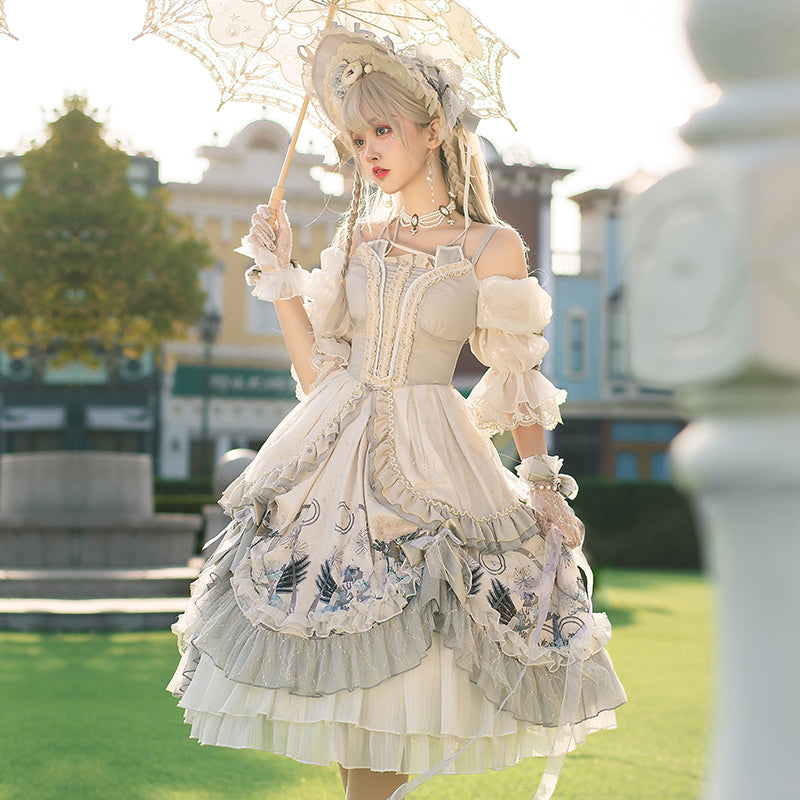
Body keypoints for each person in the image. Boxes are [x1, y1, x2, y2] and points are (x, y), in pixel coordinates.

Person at [167, 25, 626, 800]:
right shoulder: (358, 238)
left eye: (382, 129)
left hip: (433, 455)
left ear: (434, 129)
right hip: (333, 453)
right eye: (355, 136)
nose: (368, 150)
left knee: (405, 676)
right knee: (357, 699)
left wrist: (543, 482)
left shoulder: (492, 246)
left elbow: (516, 374)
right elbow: (322, 373)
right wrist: (279, 275)